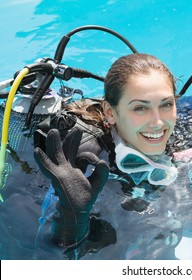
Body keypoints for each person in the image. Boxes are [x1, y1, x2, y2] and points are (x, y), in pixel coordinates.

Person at [33, 53, 179, 248]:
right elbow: (39, 255)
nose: (158, 122)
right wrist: (72, 217)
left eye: (166, 104)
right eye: (140, 108)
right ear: (110, 113)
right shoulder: (84, 162)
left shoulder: (179, 136)